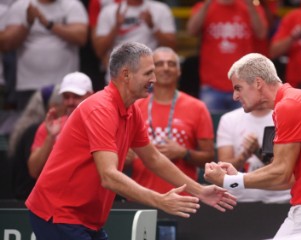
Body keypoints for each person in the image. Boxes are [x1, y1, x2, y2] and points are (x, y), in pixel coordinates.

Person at [25, 42, 236, 240]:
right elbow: (109, 176)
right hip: (58, 214)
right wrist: (160, 200)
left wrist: (199, 190)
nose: (154, 79)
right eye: (148, 73)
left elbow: (153, 158)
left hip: (83, 218)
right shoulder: (101, 109)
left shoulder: (130, 108)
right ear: (126, 75)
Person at [204, 53, 301, 238]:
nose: (234, 96)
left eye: (238, 88)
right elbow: (288, 179)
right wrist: (240, 177)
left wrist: (229, 181)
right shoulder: (295, 101)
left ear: (258, 83)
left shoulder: (289, 106)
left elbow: (281, 172)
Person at [129, 47, 214, 194]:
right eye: (159, 64)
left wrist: (184, 153)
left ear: (179, 71)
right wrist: (126, 157)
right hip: (142, 196)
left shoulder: (197, 107)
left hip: (184, 198)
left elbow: (209, 157)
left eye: (171, 64)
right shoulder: (134, 106)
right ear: (150, 72)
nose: (166, 68)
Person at [2, 0, 88, 109]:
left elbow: (81, 38)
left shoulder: (72, 4)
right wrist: (27, 23)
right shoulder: (21, 6)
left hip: (64, 86)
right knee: (28, 125)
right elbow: (6, 44)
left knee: (64, 124)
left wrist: (48, 24)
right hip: (28, 84)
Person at [186, 0, 268, 114]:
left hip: (244, 84)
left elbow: (261, 33)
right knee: (210, 129)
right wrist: (207, 4)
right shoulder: (204, 6)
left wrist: (250, 6)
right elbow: (191, 30)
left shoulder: (250, 6)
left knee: (244, 129)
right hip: (212, 85)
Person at [28, 72, 94, 179]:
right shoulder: (50, 127)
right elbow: (33, 171)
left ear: (91, 95)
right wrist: (50, 137)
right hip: (55, 193)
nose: (70, 102)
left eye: (77, 96)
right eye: (66, 97)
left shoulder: (102, 125)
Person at [216, 107, 290, 203]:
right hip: (239, 199)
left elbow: (285, 169)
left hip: (280, 199)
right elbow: (224, 167)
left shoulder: (286, 117)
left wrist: (258, 151)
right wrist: (244, 156)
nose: (235, 96)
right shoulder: (229, 119)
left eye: (238, 90)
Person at [93, 0, 176, 82]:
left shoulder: (161, 9)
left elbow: (172, 46)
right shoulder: (109, 11)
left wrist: (153, 27)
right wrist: (116, 27)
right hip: (119, 76)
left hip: (151, 77)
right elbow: (99, 50)